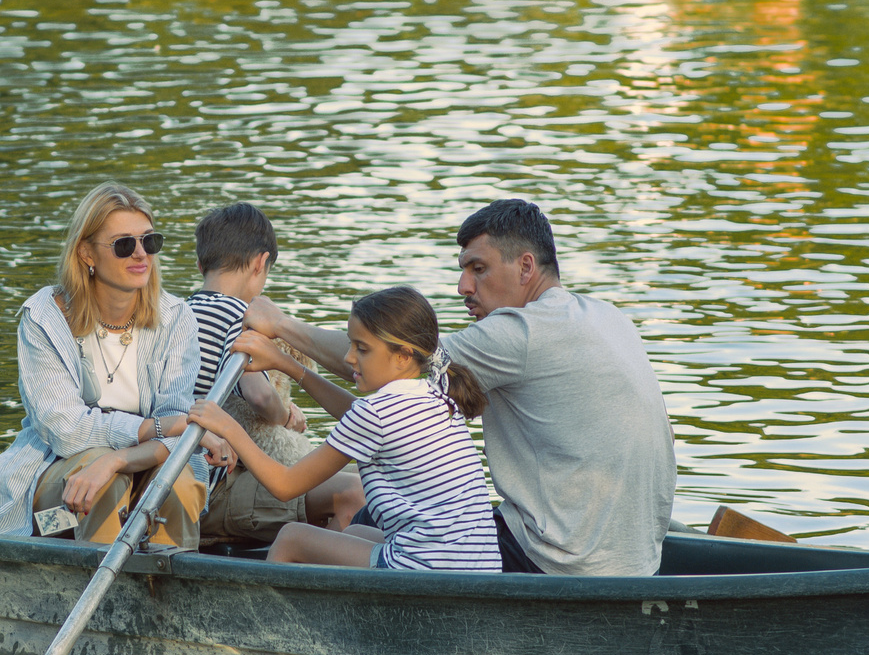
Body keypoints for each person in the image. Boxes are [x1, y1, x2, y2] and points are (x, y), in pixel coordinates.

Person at [246, 199, 675, 577]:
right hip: (640, 562)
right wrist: (293, 367)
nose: (463, 287)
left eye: (478, 269)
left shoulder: (520, 333)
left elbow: (384, 361)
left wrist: (280, 325)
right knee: (370, 522)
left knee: (363, 517)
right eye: (463, 271)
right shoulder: (609, 316)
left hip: (556, 563)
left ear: (526, 267)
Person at [0, 182, 219, 547]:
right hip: (54, 502)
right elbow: (66, 430)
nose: (141, 254)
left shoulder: (176, 317)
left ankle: (169, 579)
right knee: (106, 484)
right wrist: (151, 429)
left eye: (149, 241)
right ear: (87, 253)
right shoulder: (44, 318)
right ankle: (95, 579)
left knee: (175, 481)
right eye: (124, 245)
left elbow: (176, 432)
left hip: (140, 469)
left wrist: (118, 459)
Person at [191, 287, 498, 572]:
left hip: (425, 567)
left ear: (403, 355)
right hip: (477, 568)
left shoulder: (375, 413)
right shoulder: (436, 393)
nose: (349, 357)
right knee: (356, 532)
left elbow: (285, 486)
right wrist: (286, 364)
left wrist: (227, 426)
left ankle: (267, 615)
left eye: (361, 349)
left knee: (291, 538)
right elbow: (356, 414)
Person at [184, 202, 364, 545]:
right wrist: (285, 418)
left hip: (181, 476)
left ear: (200, 264)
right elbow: (260, 395)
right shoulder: (239, 315)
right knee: (355, 490)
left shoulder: (180, 311)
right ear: (260, 263)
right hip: (214, 484)